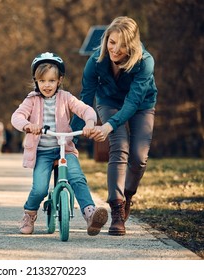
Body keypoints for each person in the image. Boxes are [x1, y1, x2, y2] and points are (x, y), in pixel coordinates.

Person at [70, 16, 158, 236]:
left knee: (139, 157)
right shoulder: (96, 61)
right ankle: (117, 210)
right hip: (108, 102)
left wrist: (108, 126)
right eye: (112, 42)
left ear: (133, 44)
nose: (115, 49)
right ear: (106, 39)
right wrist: (72, 136)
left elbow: (133, 102)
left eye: (123, 44)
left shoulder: (145, 62)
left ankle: (128, 194)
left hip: (141, 105)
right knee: (119, 147)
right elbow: (86, 97)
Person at [11, 52, 108, 236]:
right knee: (39, 188)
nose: (47, 85)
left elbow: (85, 109)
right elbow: (16, 117)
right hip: (43, 152)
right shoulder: (32, 100)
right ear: (36, 81)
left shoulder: (66, 97)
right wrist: (28, 125)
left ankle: (90, 214)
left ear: (59, 80)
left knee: (77, 178)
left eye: (51, 80)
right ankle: (29, 214)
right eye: (42, 81)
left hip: (65, 149)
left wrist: (89, 123)